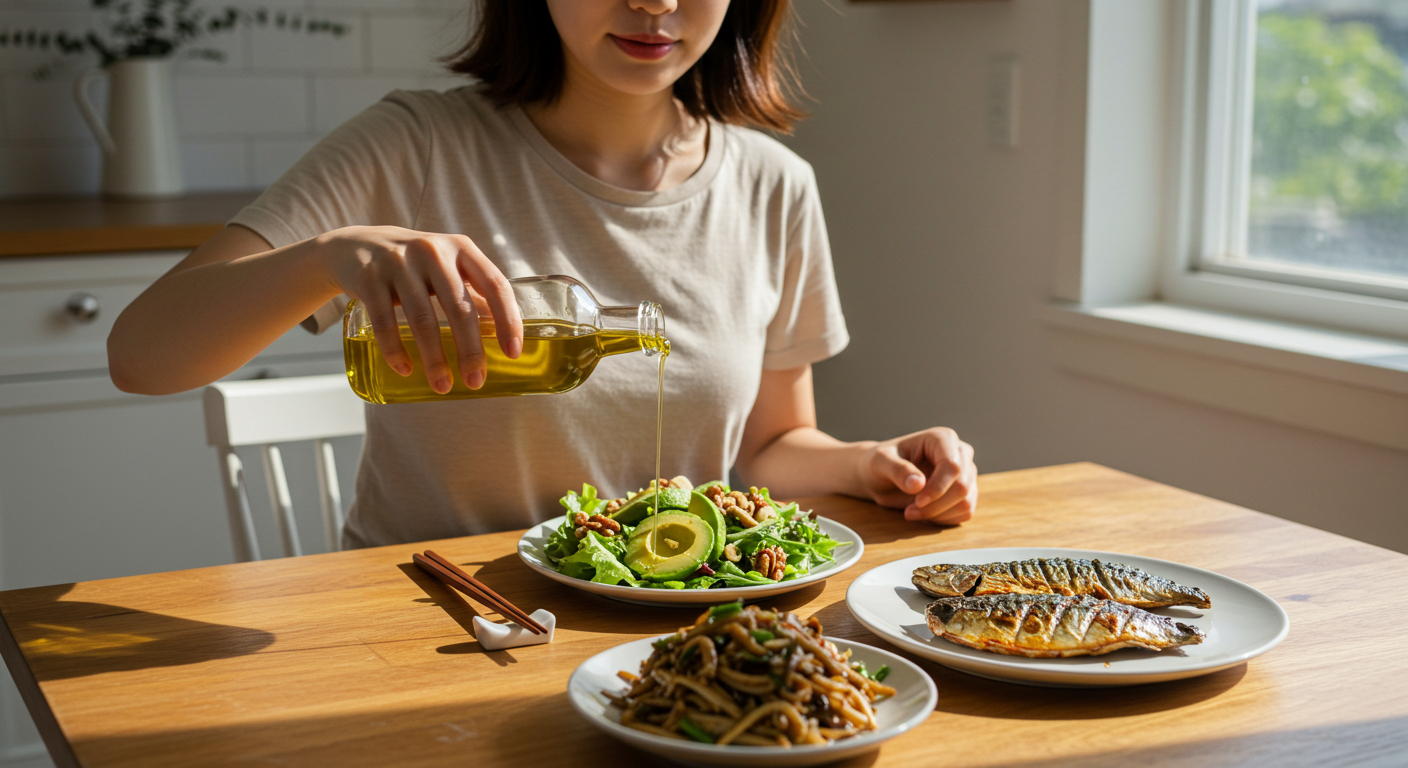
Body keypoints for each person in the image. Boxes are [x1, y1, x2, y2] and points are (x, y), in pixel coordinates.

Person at [108, 0, 978, 548]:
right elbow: (142, 356)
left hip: (657, 636)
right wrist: (330, 256)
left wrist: (872, 463)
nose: (655, 4)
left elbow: (765, 447)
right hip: (433, 626)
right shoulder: (414, 146)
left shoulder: (774, 186)